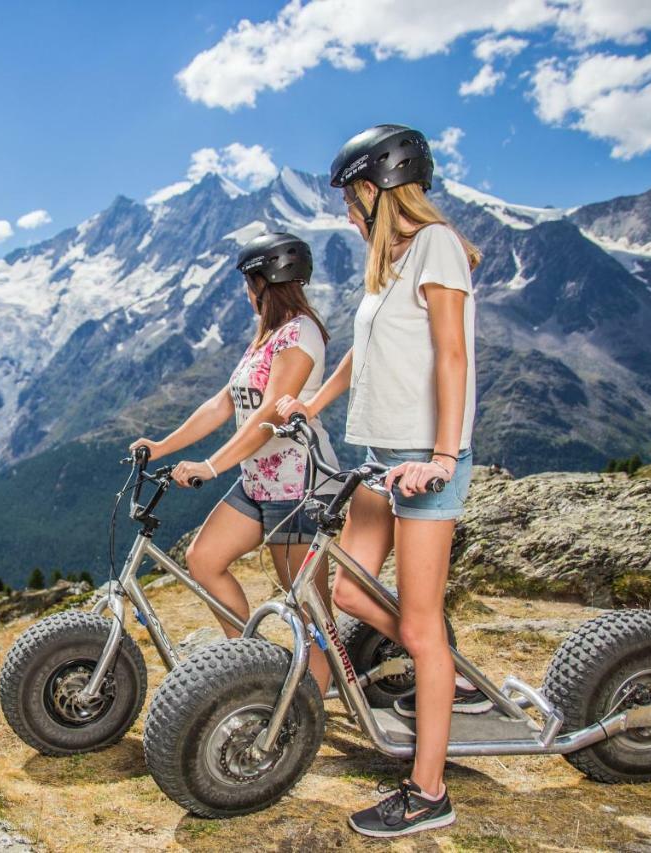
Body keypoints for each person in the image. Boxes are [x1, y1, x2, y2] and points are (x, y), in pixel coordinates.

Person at [276, 124, 482, 838]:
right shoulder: (386, 262)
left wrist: (445, 458)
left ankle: (428, 793)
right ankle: (443, 668)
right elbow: (364, 356)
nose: (345, 210)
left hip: (425, 462)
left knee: (421, 623)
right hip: (379, 457)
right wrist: (312, 403)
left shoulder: (437, 246)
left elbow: (451, 357)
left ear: (377, 187)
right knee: (350, 591)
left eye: (350, 195)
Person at [130, 232, 339, 695]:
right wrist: (162, 446)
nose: (246, 292)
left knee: (307, 603)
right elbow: (224, 403)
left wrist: (211, 465)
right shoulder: (264, 337)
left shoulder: (299, 334)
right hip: (257, 480)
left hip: (297, 484)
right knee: (203, 559)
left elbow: (268, 413)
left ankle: (317, 699)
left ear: (265, 282)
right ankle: (248, 666)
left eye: (249, 282)